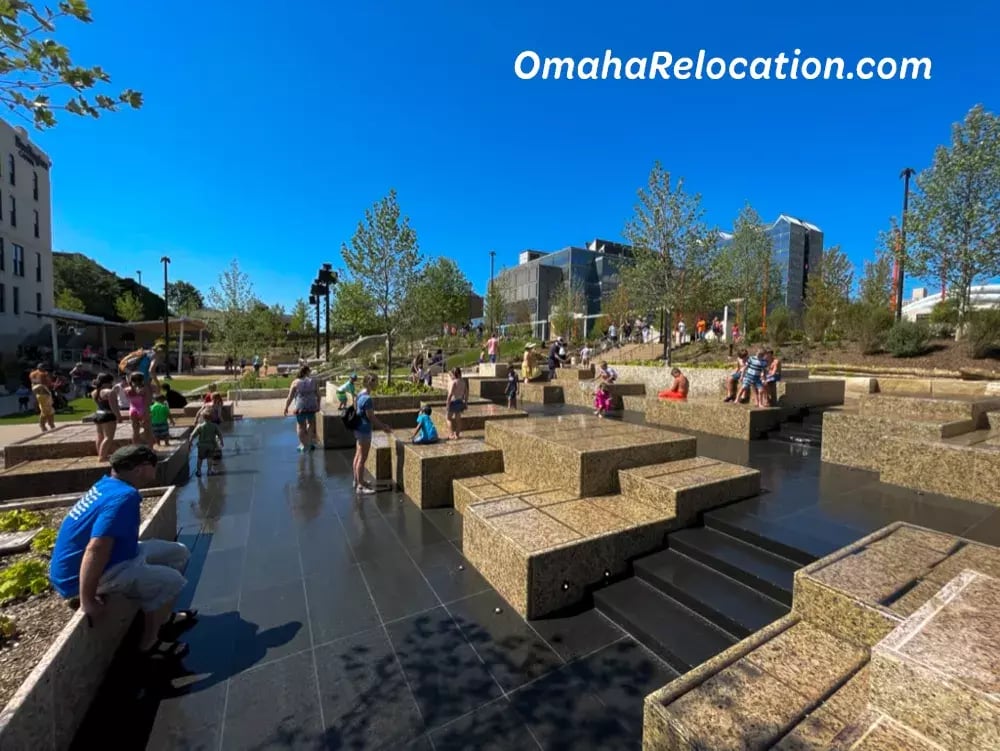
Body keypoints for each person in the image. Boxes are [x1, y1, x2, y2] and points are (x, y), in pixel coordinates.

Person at [48, 445, 196, 663]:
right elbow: (96, 548)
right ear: (140, 469)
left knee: (179, 553)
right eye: (153, 465)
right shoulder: (124, 497)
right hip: (87, 574)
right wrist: (87, 599)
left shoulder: (108, 484)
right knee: (173, 581)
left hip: (118, 556)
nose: (156, 469)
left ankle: (162, 615)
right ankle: (150, 643)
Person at [352, 374, 392, 495]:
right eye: (376, 382)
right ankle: (360, 486)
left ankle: (357, 480)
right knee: (362, 459)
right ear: (370, 383)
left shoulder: (360, 394)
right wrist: (383, 427)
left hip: (358, 428)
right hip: (364, 430)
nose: (378, 384)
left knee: (358, 455)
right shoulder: (368, 399)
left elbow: (355, 407)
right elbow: (371, 417)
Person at [283, 365, 321, 452]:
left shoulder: (295, 382)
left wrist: (286, 407)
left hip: (300, 407)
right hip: (311, 406)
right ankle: (310, 443)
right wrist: (318, 405)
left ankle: (303, 445)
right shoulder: (313, 382)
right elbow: (318, 395)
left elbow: (290, 397)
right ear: (307, 372)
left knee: (300, 426)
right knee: (311, 424)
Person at [91, 373, 122, 462]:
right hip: (108, 415)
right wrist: (118, 416)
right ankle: (102, 456)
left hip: (98, 414)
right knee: (108, 437)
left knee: (100, 436)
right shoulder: (110, 392)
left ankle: (100, 453)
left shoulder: (94, 392)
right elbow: (114, 406)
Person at [189, 409, 224, 476]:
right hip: (211, 445)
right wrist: (222, 442)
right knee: (209, 458)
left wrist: (190, 443)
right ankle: (209, 471)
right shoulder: (214, 426)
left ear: (204, 418)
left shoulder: (200, 426)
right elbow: (220, 434)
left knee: (200, 458)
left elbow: (192, 435)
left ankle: (199, 471)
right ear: (211, 418)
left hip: (201, 445)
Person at [125, 372, 153, 447]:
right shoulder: (144, 389)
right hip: (143, 409)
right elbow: (148, 401)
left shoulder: (127, 389)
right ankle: (151, 449)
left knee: (135, 431)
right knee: (148, 431)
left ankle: (135, 448)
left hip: (132, 410)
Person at [446, 368, 468, 440]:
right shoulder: (463, 382)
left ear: (455, 374)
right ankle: (457, 435)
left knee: (448, 418)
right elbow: (466, 394)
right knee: (458, 420)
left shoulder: (454, 382)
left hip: (453, 402)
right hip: (460, 401)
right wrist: (466, 403)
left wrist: (447, 403)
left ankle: (451, 434)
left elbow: (450, 394)